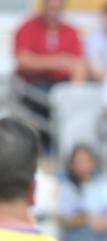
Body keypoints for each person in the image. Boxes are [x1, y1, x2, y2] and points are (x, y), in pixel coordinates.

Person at [12, 0, 87, 146]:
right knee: (44, 100)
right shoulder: (28, 27)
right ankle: (45, 145)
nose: (53, 13)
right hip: (34, 85)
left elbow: (79, 65)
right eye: (50, 8)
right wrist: (58, 61)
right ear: (43, 7)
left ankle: (71, 146)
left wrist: (75, 92)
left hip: (63, 84)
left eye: (57, 9)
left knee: (76, 101)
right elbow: (24, 61)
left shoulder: (70, 31)